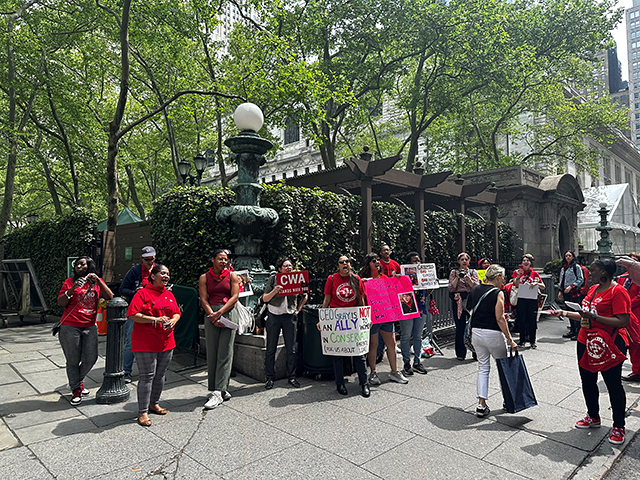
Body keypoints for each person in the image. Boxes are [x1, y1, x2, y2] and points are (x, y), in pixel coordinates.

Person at [552, 258, 630, 445]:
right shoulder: (594, 289)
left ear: (604, 272)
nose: (589, 273)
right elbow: (584, 315)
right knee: (587, 380)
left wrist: (594, 317)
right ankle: (593, 416)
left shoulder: (618, 291)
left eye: (593, 270)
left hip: (609, 342)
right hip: (586, 341)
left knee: (613, 384)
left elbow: (623, 321)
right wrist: (564, 313)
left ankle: (619, 426)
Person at [126, 264, 180, 427]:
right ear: (153, 276)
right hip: (145, 342)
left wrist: (173, 320)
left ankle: (154, 403)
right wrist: (155, 320)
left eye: (168, 274)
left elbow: (177, 312)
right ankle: (142, 411)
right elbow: (132, 314)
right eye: (162, 273)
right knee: (147, 376)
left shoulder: (169, 294)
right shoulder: (142, 293)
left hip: (166, 341)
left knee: (160, 375)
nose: (166, 276)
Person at [57, 256, 113, 405]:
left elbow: (109, 296)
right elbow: (61, 302)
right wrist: (72, 289)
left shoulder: (96, 283)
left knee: (91, 358)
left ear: (90, 266)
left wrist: (99, 280)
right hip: (70, 326)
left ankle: (76, 381)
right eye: (77, 265)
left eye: (82, 264)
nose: (78, 267)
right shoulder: (69, 282)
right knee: (73, 360)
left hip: (89, 326)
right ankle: (76, 389)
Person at [468, 265, 518, 417]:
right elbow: (499, 318)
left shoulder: (475, 289)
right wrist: (510, 339)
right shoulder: (498, 293)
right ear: (497, 277)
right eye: (502, 276)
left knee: (483, 367)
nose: (504, 279)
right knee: (503, 367)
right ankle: (508, 400)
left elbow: (469, 308)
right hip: (493, 333)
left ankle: (481, 404)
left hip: (476, 332)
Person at [322, 255, 371, 397]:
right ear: (338, 266)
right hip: (337, 320)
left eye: (347, 261)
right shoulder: (332, 279)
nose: (345, 264)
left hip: (354, 321)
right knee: (337, 355)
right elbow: (327, 299)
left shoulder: (356, 279)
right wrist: (323, 319)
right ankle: (340, 383)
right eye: (342, 262)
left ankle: (364, 383)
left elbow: (361, 300)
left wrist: (365, 318)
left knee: (359, 354)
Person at [199, 249, 240, 409]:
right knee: (212, 352)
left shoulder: (232, 276)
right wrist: (212, 315)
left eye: (225, 259)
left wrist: (219, 313)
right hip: (211, 315)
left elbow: (234, 297)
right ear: (212, 260)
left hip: (227, 313)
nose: (224, 261)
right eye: (220, 259)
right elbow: (203, 299)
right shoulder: (204, 277)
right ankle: (218, 388)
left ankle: (219, 391)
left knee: (226, 352)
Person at [358, 253, 408, 386]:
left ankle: (394, 371)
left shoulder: (385, 278)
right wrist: (362, 284)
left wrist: (398, 280)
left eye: (377, 260)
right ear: (368, 264)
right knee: (373, 345)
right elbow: (361, 298)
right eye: (373, 261)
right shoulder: (363, 280)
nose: (377, 262)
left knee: (391, 344)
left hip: (386, 315)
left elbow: (394, 292)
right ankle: (373, 372)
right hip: (373, 317)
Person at [262, 256, 308, 389]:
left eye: (290, 266)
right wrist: (275, 291)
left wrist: (298, 310)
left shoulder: (297, 278)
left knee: (291, 349)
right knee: (271, 348)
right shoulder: (273, 279)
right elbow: (265, 298)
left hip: (289, 316)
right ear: (279, 269)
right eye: (286, 266)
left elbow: (305, 295)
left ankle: (291, 376)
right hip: (274, 315)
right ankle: (269, 377)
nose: (289, 268)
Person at [120, 246, 156, 383]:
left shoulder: (158, 269)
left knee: (154, 341)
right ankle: (126, 371)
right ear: (141, 258)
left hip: (154, 310)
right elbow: (122, 289)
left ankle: (154, 371)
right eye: (147, 259)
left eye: (152, 259)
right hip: (136, 311)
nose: (150, 262)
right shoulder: (135, 271)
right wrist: (135, 292)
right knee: (131, 341)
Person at [400, 252, 430, 375]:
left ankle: (417, 362)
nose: (417, 263)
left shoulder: (423, 275)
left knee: (418, 336)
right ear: (408, 263)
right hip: (407, 307)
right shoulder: (403, 277)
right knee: (406, 336)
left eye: (419, 261)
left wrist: (431, 284)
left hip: (421, 308)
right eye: (414, 261)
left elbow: (425, 294)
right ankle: (406, 363)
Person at [448, 252, 481, 360]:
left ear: (469, 261)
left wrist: (468, 278)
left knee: (474, 326)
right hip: (459, 300)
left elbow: (476, 286)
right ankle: (460, 353)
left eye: (466, 259)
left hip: (471, 299)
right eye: (462, 259)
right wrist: (457, 278)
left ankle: (476, 352)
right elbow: (451, 288)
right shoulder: (454, 272)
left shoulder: (473, 272)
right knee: (460, 327)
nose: (464, 261)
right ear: (458, 261)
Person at [512, 254, 545, 349]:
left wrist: (536, 283)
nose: (526, 262)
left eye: (528, 261)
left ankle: (532, 341)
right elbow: (516, 285)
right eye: (524, 260)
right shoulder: (516, 272)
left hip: (532, 299)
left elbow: (543, 286)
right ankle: (522, 340)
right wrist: (518, 276)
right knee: (521, 320)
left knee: (532, 320)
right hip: (521, 299)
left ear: (531, 263)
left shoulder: (534, 273)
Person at [558, 251, 584, 341]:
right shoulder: (564, 268)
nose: (568, 257)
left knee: (576, 311)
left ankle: (578, 331)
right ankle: (572, 330)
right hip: (566, 292)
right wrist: (560, 291)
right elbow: (561, 280)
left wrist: (571, 286)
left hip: (574, 292)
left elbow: (580, 279)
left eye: (569, 255)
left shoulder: (576, 267)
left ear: (573, 257)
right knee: (569, 311)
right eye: (566, 256)